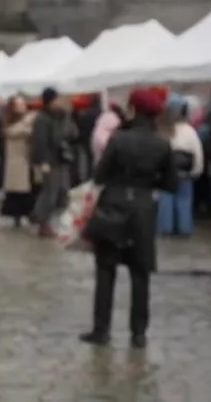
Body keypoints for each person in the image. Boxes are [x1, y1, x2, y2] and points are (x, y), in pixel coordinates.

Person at [80, 88, 177, 348]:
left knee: (105, 269)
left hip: (114, 203)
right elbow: (171, 183)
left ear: (133, 109)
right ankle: (138, 333)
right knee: (140, 272)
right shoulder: (162, 144)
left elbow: (100, 174)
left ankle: (101, 329)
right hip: (143, 208)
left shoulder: (119, 139)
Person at [30, 87, 76, 237]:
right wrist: (43, 161)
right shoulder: (42, 119)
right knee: (49, 193)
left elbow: (72, 134)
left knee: (62, 192)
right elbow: (40, 142)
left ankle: (44, 217)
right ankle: (43, 222)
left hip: (61, 159)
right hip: (50, 161)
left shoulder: (61, 117)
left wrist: (67, 115)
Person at [157, 94, 203, 236]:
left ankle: (166, 227)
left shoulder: (161, 130)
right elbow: (198, 153)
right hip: (185, 173)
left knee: (166, 200)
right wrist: (196, 171)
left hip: (165, 173)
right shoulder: (189, 131)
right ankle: (184, 228)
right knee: (184, 200)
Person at [0, 95, 36, 227]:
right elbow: (17, 131)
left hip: (23, 160)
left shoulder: (22, 122)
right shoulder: (13, 125)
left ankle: (23, 215)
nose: (23, 107)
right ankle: (18, 216)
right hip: (17, 162)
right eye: (20, 105)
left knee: (24, 190)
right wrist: (28, 121)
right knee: (19, 192)